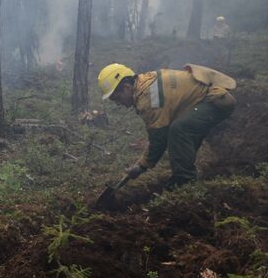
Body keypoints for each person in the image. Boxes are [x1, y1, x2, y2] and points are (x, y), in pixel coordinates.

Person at [98, 63, 237, 187]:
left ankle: (185, 181)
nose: (118, 103)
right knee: (180, 129)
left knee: (179, 130)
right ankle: (184, 173)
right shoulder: (144, 81)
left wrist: (141, 166)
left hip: (215, 100)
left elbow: (159, 138)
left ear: (127, 87)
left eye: (117, 97)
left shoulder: (148, 100)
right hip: (204, 101)